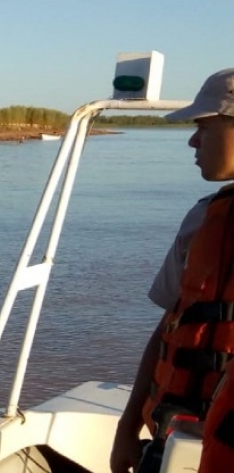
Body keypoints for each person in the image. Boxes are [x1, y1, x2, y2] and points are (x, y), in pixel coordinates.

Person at [110, 67, 234, 472]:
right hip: (173, 440)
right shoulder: (203, 220)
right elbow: (172, 322)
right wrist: (127, 427)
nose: (192, 140)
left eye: (204, 127)